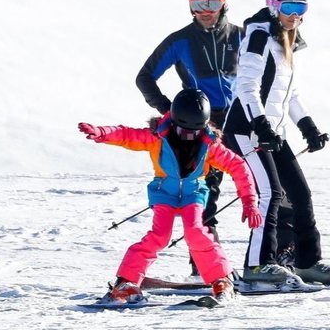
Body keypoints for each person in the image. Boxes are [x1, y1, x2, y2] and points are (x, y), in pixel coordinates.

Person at [78, 89, 262, 302]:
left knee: (195, 231)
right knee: (160, 235)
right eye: (183, 131)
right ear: (173, 122)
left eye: (194, 132)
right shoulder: (157, 136)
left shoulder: (210, 144)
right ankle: (126, 282)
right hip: (164, 192)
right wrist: (102, 132)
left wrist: (250, 202)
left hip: (193, 192)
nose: (189, 136)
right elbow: (127, 135)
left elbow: (238, 166)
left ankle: (221, 279)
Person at [222, 0, 329, 284]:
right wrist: (259, 123)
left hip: (272, 131)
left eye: (302, 8)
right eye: (290, 6)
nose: (296, 15)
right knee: (270, 194)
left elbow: (288, 93)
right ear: (272, 5)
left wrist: (308, 127)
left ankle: (308, 262)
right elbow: (247, 86)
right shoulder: (259, 35)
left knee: (301, 194)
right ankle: (257, 264)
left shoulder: (287, 40)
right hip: (246, 130)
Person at [136, 0, 243, 274]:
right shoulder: (180, 40)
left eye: (211, 2)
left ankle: (274, 258)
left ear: (224, 1)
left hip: (242, 120)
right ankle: (207, 263)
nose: (205, 11)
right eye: (197, 4)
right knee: (205, 193)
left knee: (267, 187)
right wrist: (173, 112)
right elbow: (144, 78)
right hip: (203, 127)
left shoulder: (242, 36)